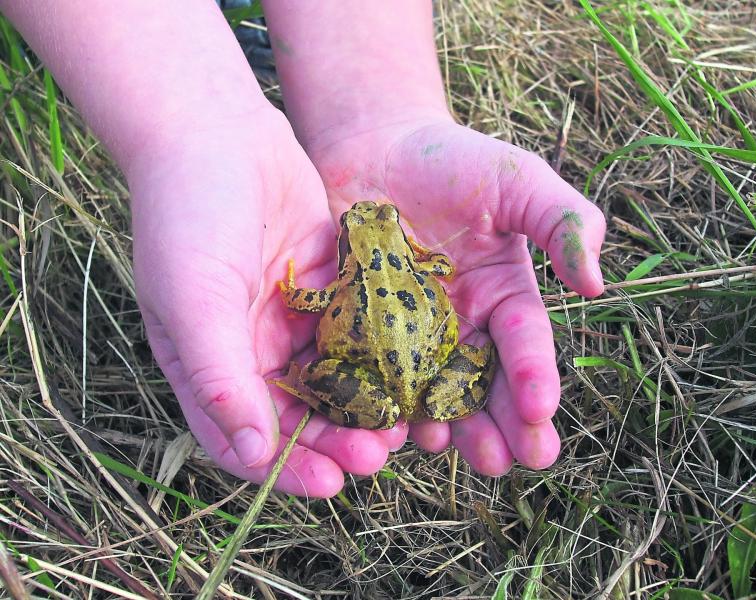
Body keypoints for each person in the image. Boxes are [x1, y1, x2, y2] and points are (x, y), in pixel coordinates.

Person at [0, 2, 606, 498]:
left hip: (376, 368)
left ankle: (239, 36)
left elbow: (300, 296)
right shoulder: (425, 265)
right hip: (431, 367)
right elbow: (435, 269)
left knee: (317, 375)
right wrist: (187, 131)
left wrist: (380, 113)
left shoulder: (340, 287)